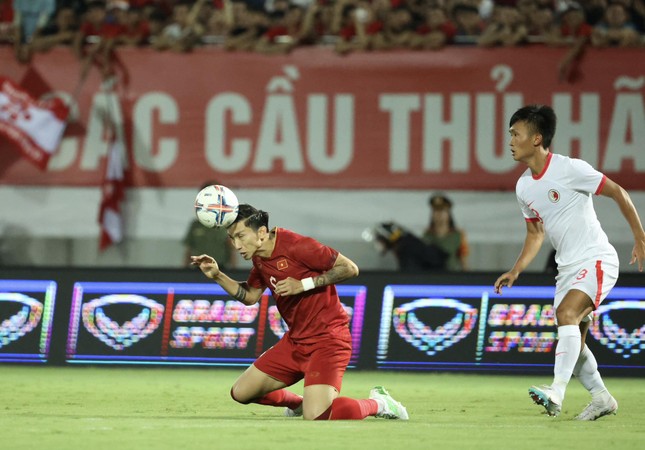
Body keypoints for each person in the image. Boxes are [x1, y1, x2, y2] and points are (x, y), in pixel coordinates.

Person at [494, 104, 645, 421]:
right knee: (575, 340)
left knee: (566, 315)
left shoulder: (570, 168)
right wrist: (516, 269)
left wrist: (640, 238)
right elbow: (535, 234)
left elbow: (618, 192)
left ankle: (556, 392)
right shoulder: (524, 186)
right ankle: (602, 398)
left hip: (597, 259)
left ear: (536, 139)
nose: (509, 140)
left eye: (515, 134)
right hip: (567, 270)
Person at [191, 203, 409, 421]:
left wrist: (303, 284)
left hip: (328, 341)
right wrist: (218, 275)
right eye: (232, 238)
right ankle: (298, 404)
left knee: (318, 416)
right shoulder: (259, 255)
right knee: (240, 392)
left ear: (262, 232)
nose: (237, 245)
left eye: (240, 236)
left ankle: (379, 403)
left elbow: (349, 268)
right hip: (295, 343)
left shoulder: (298, 246)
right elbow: (250, 296)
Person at [183, 182, 236, 270]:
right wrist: (184, 271)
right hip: (197, 271)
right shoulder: (195, 225)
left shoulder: (227, 224)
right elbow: (189, 250)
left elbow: (231, 250)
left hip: (220, 270)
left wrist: (234, 273)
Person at [422, 193, 469, 271]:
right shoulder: (426, 235)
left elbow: (464, 262)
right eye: (435, 211)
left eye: (442, 211)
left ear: (448, 214)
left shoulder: (458, 235)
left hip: (452, 277)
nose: (439, 214)